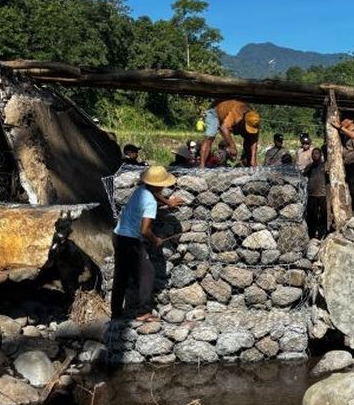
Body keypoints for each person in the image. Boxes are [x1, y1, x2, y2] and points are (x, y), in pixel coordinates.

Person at [111, 166, 183, 321]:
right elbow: (145, 230)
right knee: (148, 272)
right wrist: (155, 239)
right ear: (160, 185)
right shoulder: (150, 203)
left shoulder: (141, 190)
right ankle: (143, 311)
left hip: (118, 235)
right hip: (130, 241)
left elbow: (155, 195)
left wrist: (167, 202)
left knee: (121, 275)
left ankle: (116, 313)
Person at [200, 99, 260, 168]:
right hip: (215, 112)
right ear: (243, 121)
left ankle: (249, 165)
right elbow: (223, 128)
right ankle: (202, 167)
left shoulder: (255, 120)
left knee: (249, 138)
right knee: (209, 138)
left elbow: (254, 140)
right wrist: (232, 146)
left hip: (232, 120)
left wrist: (253, 159)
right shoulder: (236, 112)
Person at [303, 148, 328, 239]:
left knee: (323, 216)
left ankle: (322, 234)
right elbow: (304, 174)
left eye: (317, 153)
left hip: (322, 195)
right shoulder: (309, 166)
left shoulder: (325, 166)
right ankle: (311, 235)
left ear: (321, 155)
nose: (314, 155)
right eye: (313, 154)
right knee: (311, 216)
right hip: (312, 195)